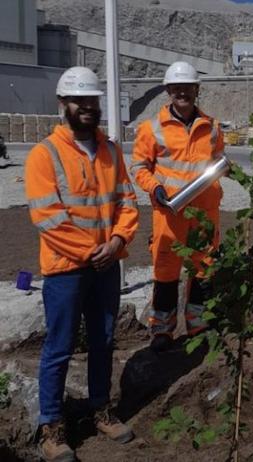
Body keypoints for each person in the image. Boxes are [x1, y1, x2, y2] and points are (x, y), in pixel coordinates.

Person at [25, 66, 139, 461]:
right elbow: (48, 217)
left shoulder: (110, 150)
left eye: (92, 101)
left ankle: (99, 409)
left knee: (104, 342)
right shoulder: (45, 154)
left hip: (106, 266)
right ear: (63, 104)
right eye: (80, 101)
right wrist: (94, 250)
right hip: (67, 269)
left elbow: (127, 200)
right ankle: (52, 428)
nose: (88, 107)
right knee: (58, 347)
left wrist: (120, 240)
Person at [130, 61, 225, 352]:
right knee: (166, 270)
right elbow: (139, 167)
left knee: (203, 269)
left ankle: (197, 325)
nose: (182, 92)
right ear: (168, 91)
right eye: (176, 88)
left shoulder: (212, 127)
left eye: (187, 87)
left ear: (197, 90)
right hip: (170, 213)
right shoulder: (152, 129)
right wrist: (155, 188)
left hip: (205, 212)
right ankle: (162, 330)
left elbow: (219, 160)